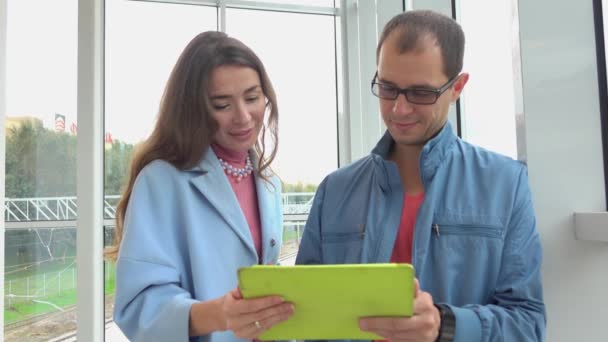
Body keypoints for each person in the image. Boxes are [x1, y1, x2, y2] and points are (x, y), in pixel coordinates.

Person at [295, 9, 545, 342]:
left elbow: (528, 325)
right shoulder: (335, 191)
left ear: (457, 87)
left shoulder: (505, 184)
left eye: (421, 93)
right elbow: (306, 315)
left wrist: (445, 325)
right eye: (387, 88)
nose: (399, 109)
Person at [107, 31, 294, 342]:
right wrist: (220, 314)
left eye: (252, 98)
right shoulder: (161, 181)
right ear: (194, 109)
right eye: (222, 105)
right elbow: (138, 306)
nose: (244, 117)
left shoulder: (269, 183)